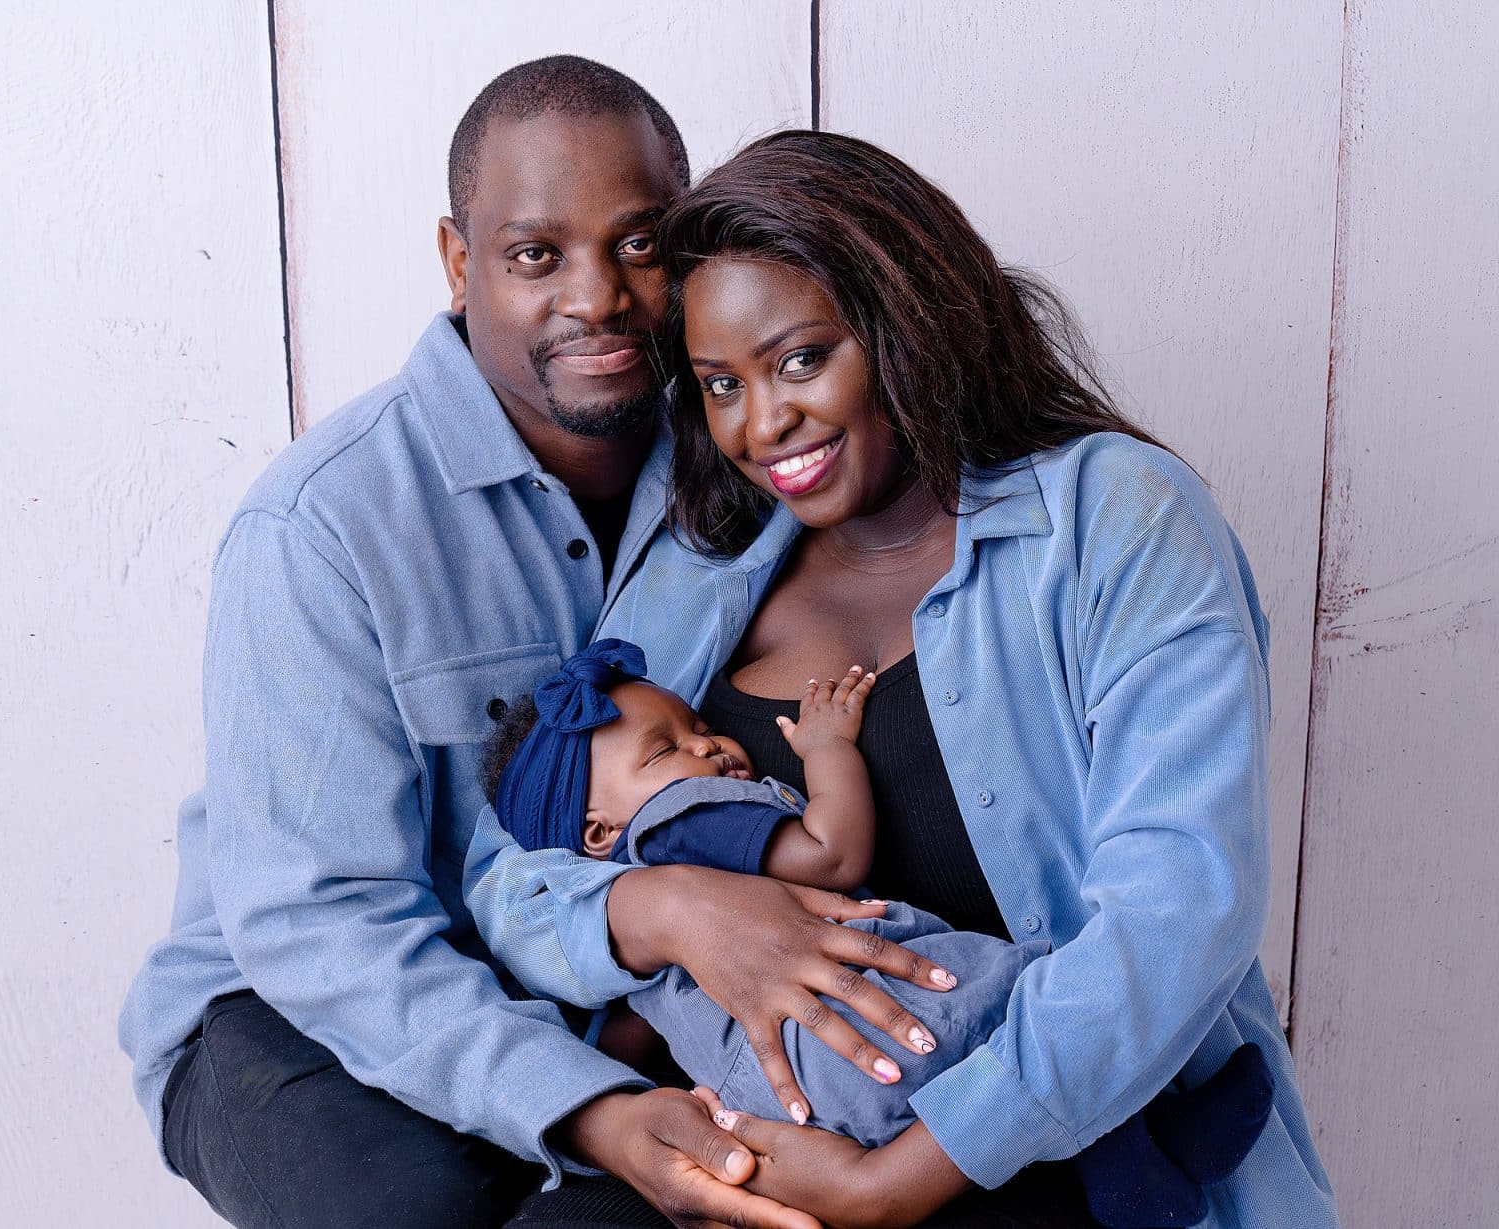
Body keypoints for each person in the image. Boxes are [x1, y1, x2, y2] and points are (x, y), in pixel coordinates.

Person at [118, 61, 954, 1229]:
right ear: (460, 265)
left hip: (621, 991)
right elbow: (322, 924)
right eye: (534, 256)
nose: (597, 296)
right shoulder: (322, 526)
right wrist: (593, 1108)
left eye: (640, 244)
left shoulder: (750, 453)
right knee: (418, 1206)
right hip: (300, 1008)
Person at [562, 130, 1341, 1226]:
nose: (763, 423)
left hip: (1049, 1155)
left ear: (906, 323)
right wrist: (663, 905)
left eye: (800, 358)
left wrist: (898, 1179)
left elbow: (1182, 907)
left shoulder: (1114, 519)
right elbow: (523, 852)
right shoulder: (702, 563)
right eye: (720, 384)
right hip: (771, 1150)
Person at [488, 638, 1277, 1229]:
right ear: (598, 832)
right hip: (873, 1018)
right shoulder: (677, 823)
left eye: (694, 724)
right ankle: (1144, 1149)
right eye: (666, 750)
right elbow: (832, 853)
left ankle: (1127, 1168)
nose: (705, 743)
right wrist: (829, 750)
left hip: (795, 1102)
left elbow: (623, 1031)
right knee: (1029, 999)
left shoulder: (619, 927)